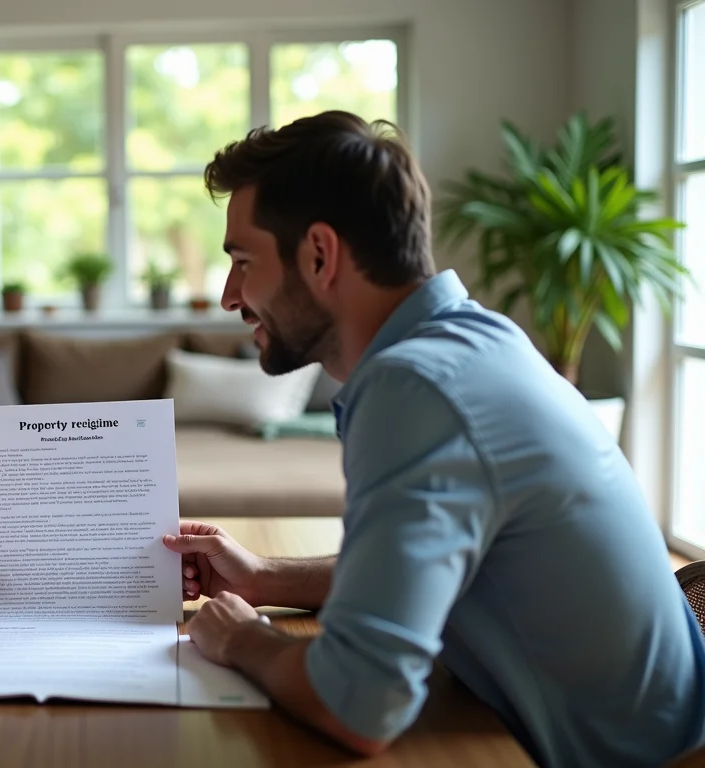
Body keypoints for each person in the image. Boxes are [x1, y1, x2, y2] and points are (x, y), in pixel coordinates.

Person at [162, 111, 705, 767]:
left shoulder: (417, 389)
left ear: (319, 255)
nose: (229, 296)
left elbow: (358, 704)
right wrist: (267, 577)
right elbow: (445, 567)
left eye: (243, 262)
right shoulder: (477, 343)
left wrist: (243, 640)